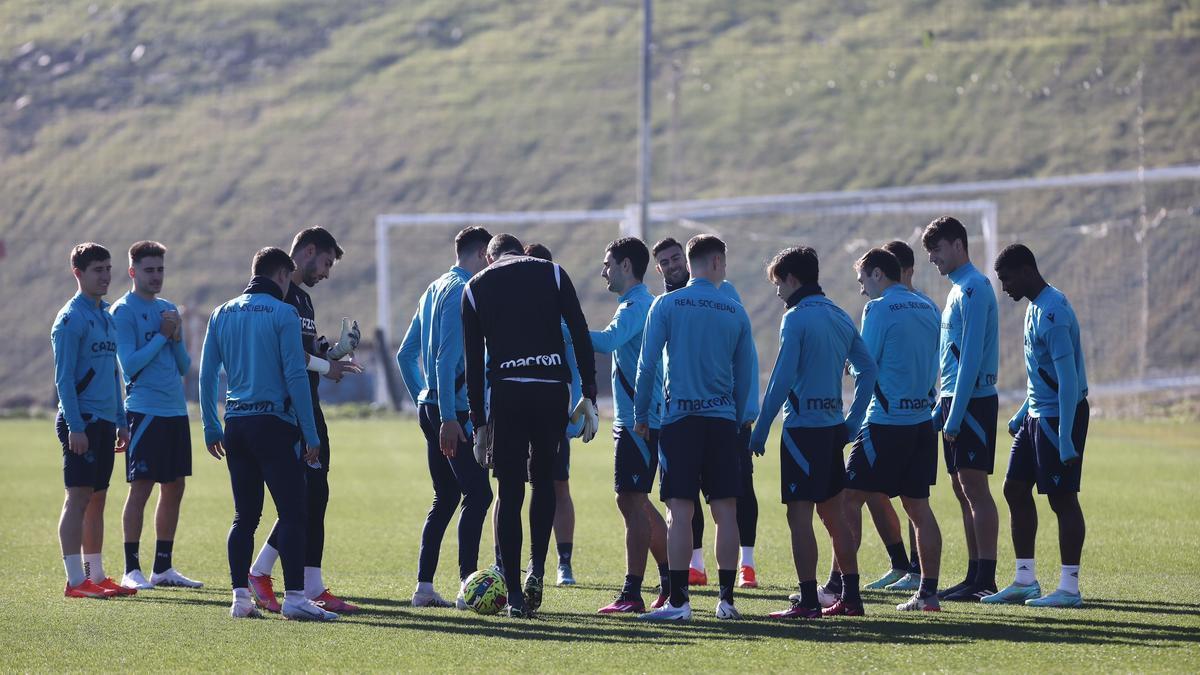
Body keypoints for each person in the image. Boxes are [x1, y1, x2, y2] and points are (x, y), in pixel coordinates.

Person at [461, 234, 598, 617]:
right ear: (521, 252)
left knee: (509, 489)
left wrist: (478, 422)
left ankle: (516, 596)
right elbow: (579, 329)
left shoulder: (475, 286)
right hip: (551, 390)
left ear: (490, 258)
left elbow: (474, 363)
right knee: (544, 479)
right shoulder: (553, 273)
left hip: (508, 393)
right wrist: (589, 389)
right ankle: (538, 567)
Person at [199, 247, 336, 621]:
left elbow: (207, 373)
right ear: (280, 276)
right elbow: (295, 375)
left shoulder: (222, 312)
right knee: (293, 511)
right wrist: (311, 433)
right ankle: (294, 598)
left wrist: (211, 425)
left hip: (236, 424)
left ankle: (240, 600)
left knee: (245, 517)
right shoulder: (284, 312)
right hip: (273, 424)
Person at [748, 246, 876, 619]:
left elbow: (782, 378)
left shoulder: (796, 318)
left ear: (792, 279)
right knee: (835, 517)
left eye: (778, 284)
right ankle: (851, 598)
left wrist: (762, 428)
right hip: (833, 429)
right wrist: (852, 422)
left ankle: (807, 601)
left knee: (799, 517)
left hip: (802, 432)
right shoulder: (839, 315)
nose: (777, 293)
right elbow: (868, 371)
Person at [635, 234, 756, 622]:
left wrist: (641, 414)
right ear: (719, 262)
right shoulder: (735, 311)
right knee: (726, 511)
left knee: (680, 512)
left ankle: (680, 602)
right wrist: (739, 420)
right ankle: (726, 601)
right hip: (722, 422)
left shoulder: (666, 304)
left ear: (689, 262)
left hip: (679, 422)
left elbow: (647, 364)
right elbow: (745, 376)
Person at [248, 227, 363, 614]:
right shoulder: (278, 296)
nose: (327, 272)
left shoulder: (305, 301)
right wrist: (324, 365)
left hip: (308, 407)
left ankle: (298, 581)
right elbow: (287, 358)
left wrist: (329, 351)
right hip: (287, 411)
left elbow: (304, 349)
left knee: (315, 495)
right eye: (326, 262)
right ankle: (272, 576)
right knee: (302, 497)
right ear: (307, 251)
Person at [984, 244, 1089, 608]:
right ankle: (1025, 580)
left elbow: (1069, 380)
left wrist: (1064, 436)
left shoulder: (1053, 312)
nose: (1004, 286)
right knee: (1014, 489)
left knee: (1062, 499)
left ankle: (1069, 588)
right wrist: (1021, 413)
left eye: (1006, 278)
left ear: (1027, 271)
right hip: (1037, 415)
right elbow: (1041, 375)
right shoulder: (1033, 308)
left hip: (1060, 417)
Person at [397, 226, 495, 608]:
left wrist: (424, 398)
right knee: (479, 493)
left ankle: (424, 588)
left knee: (447, 495)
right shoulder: (463, 291)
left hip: (432, 405)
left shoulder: (432, 288)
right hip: (449, 412)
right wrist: (448, 416)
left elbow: (405, 354)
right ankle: (467, 588)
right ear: (484, 254)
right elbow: (444, 358)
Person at [841, 248, 943, 612]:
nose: (863, 290)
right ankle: (929, 594)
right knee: (919, 508)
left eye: (863, 281)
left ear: (879, 274)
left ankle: (839, 586)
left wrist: (849, 368)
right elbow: (937, 360)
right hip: (921, 421)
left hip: (884, 422)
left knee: (847, 498)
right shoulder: (929, 306)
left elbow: (867, 364)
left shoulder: (878, 309)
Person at [111, 241, 202, 590]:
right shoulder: (123, 311)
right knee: (141, 489)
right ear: (133, 272)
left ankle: (162, 568)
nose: (156, 276)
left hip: (175, 410)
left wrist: (176, 338)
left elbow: (183, 366)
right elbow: (129, 366)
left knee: (175, 487)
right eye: (149, 270)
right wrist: (162, 337)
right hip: (144, 410)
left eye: (160, 269)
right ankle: (131, 568)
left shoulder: (167, 309)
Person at [589, 237, 671, 614]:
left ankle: (632, 593)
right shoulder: (637, 304)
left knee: (632, 501)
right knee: (634, 500)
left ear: (625, 266)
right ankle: (671, 582)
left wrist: (562, 326)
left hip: (640, 421)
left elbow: (608, 342)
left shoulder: (638, 304)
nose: (603, 271)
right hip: (638, 418)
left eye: (608, 264)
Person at [922, 216, 1001, 602]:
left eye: (936, 249)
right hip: (955, 400)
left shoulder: (975, 288)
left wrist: (954, 414)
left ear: (957, 244)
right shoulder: (956, 290)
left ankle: (986, 577)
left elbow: (970, 358)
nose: (933, 258)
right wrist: (942, 403)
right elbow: (950, 358)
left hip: (973, 401)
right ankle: (974, 575)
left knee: (975, 488)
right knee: (960, 488)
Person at [52, 243, 132, 599]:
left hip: (104, 422)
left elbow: (112, 374)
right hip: (80, 420)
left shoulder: (106, 315)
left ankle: (95, 575)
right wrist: (76, 426)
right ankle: (74, 581)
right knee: (78, 498)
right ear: (78, 273)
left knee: (98, 499)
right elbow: (64, 380)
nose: (105, 276)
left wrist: (121, 419)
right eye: (98, 269)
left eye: (108, 268)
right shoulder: (70, 319)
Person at [522, 243, 588, 587]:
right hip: (515, 411)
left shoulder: (561, 315)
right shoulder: (511, 310)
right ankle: (506, 560)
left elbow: (575, 364)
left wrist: (576, 406)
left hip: (554, 415)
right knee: (510, 489)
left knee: (558, 485)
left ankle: (563, 563)